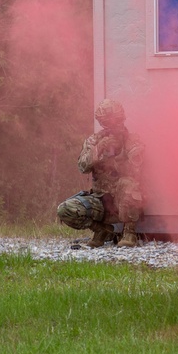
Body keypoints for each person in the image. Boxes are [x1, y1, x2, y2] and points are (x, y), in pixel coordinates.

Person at [56, 99, 146, 248]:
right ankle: (101, 231)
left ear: (121, 120)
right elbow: (82, 166)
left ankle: (129, 232)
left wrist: (121, 156)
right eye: (105, 123)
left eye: (113, 122)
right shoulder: (95, 140)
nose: (110, 127)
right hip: (101, 201)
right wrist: (99, 149)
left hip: (122, 202)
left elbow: (137, 168)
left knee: (129, 185)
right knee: (65, 209)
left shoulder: (131, 140)